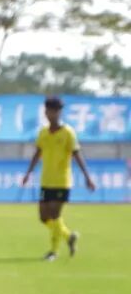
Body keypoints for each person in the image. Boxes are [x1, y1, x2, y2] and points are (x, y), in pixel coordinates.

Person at [20, 96, 96, 261]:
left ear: (59, 112)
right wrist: (28, 173)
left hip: (62, 181)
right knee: (43, 217)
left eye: (54, 111)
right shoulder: (43, 132)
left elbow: (77, 155)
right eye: (48, 111)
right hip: (46, 180)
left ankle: (53, 251)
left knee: (55, 215)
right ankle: (68, 236)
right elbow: (37, 153)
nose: (50, 114)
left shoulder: (68, 133)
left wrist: (87, 177)